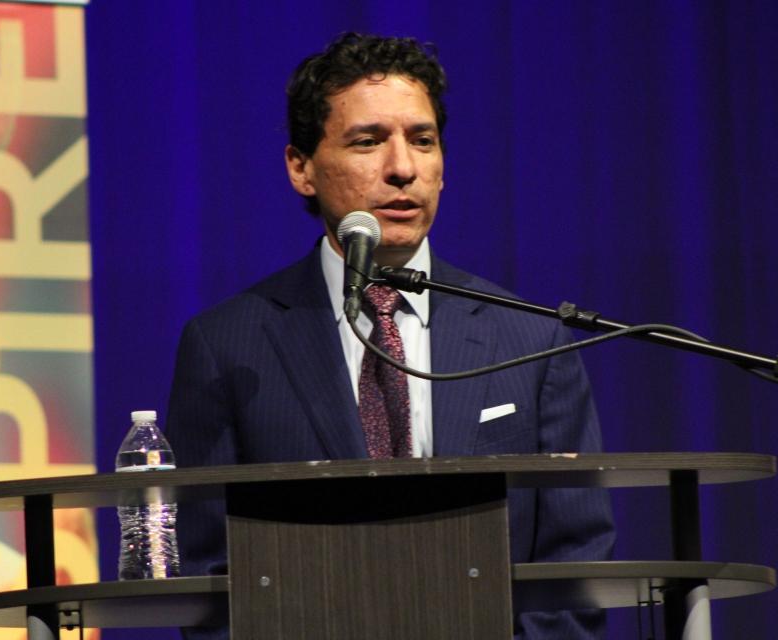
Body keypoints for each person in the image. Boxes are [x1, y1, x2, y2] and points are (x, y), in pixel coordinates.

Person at [166, 32, 614, 639]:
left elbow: (575, 563)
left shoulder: (532, 339)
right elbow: (207, 576)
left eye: (422, 141)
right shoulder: (229, 345)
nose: (402, 168)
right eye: (368, 141)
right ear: (302, 167)